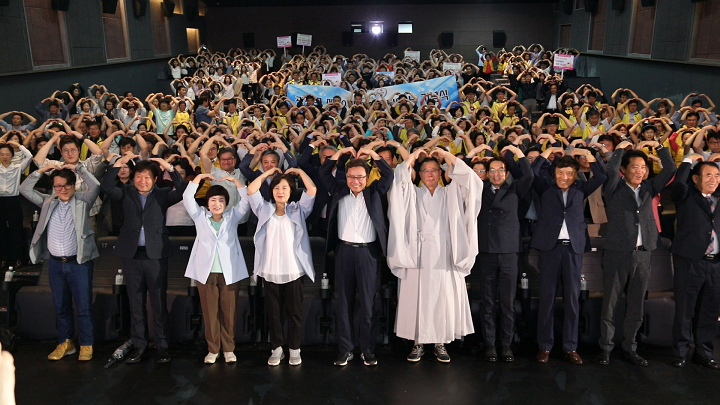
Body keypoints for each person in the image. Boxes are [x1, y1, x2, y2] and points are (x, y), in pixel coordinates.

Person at [387, 147, 482, 363]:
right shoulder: (412, 194)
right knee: (416, 297)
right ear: (419, 175)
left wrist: (447, 156)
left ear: (441, 173)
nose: (429, 174)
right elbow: (398, 181)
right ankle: (417, 342)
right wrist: (412, 156)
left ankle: (440, 342)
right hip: (416, 254)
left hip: (444, 253)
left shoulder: (451, 193)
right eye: (424, 171)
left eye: (434, 170)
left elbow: (473, 183)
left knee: (442, 297)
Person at [100, 155, 187, 364]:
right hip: (131, 255)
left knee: (158, 303)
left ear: (155, 179)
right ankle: (139, 345)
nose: (142, 181)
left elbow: (184, 190)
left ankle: (162, 346)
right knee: (135, 303)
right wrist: (119, 163)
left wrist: (169, 167)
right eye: (139, 176)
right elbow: (105, 186)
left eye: (147, 177)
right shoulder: (126, 192)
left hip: (155, 256)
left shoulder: (163, 195)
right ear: (133, 177)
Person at [597, 141, 676, 366]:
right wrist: (621, 148)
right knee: (610, 304)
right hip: (617, 252)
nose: (640, 171)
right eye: (635, 166)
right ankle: (606, 348)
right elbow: (610, 170)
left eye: (643, 167)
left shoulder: (649, 188)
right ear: (624, 169)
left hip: (643, 254)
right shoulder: (612, 187)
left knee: (636, 305)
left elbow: (670, 170)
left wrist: (659, 146)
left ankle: (630, 348)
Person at [531, 147, 607, 365]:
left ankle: (570, 347)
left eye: (569, 174)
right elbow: (531, 174)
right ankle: (545, 346)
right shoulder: (545, 187)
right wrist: (546, 152)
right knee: (547, 299)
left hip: (573, 249)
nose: (564, 177)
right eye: (560, 173)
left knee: (572, 301)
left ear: (575, 175)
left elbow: (601, 176)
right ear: (554, 172)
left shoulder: (581, 188)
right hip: (549, 249)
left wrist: (587, 153)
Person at [319, 146, 393, 367]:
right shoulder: (339, 190)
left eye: (360, 177)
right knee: (344, 303)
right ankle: (346, 349)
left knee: (368, 305)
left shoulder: (375, 192)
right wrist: (341, 153)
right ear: (346, 176)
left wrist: (373, 155)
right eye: (351, 176)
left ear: (367, 176)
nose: (356, 181)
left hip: (368, 254)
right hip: (343, 252)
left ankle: (367, 349)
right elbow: (323, 173)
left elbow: (389, 174)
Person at [20, 164, 101, 361]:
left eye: (66, 186)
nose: (62, 190)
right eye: (58, 186)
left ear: (74, 186)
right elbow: (24, 189)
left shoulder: (83, 201)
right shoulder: (48, 202)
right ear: (53, 188)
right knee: (61, 306)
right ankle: (65, 342)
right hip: (55, 264)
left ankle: (86, 343)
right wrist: (43, 169)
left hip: (78, 264)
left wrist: (78, 168)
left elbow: (96, 185)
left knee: (83, 307)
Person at [246, 167, 316, 366]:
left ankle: (294, 349)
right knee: (273, 313)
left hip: (293, 269)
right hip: (270, 268)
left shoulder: (298, 209)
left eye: (285, 188)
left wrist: (300, 172)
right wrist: (266, 175)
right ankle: (277, 348)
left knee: (294, 312)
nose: (280, 191)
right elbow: (251, 190)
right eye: (277, 187)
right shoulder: (264, 209)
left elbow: (312, 190)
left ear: (291, 191)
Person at [182, 174, 251, 364]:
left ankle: (229, 348)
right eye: (213, 200)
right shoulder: (200, 216)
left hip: (230, 272)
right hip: (206, 272)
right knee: (210, 312)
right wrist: (199, 178)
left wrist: (235, 182)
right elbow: (187, 198)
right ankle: (213, 349)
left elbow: (246, 200)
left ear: (227, 203)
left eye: (221, 200)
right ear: (207, 203)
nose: (217, 204)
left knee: (229, 311)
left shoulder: (233, 216)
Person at [476, 145, 533, 362]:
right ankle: (490, 344)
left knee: (508, 301)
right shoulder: (479, 189)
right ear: (486, 173)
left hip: (509, 252)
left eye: (501, 170)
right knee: (488, 301)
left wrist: (517, 152)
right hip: (487, 251)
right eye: (492, 170)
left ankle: (507, 344)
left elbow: (529, 174)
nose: (497, 174)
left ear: (507, 173)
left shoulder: (515, 188)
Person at [670, 155, 720, 369]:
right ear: (696, 179)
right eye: (708, 175)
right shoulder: (686, 195)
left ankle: (704, 351)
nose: (714, 179)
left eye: (717, 175)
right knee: (685, 309)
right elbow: (679, 183)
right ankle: (680, 352)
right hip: (690, 260)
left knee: (709, 309)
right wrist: (688, 161)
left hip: (715, 262)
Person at [0, 141, 33, 269]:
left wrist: (18, 145)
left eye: (7, 154)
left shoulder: (17, 167)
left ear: (12, 155)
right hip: (0, 201)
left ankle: (18, 258)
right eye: (2, 154)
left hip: (13, 201)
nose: (4, 156)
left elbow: (29, 156)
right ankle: (2, 258)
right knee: (1, 231)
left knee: (16, 230)